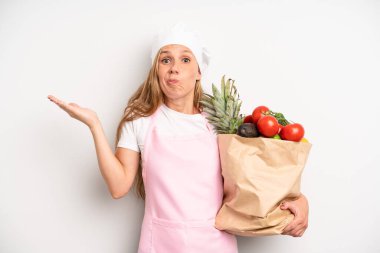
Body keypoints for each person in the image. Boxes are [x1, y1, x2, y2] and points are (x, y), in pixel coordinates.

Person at [47, 23, 309, 252]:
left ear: (198, 73)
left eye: (185, 59)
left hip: (215, 243)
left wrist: (299, 199)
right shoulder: (138, 121)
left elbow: (256, 180)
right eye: (165, 59)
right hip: (159, 243)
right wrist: (94, 124)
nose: (174, 68)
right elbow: (118, 187)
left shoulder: (221, 124)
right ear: (156, 71)